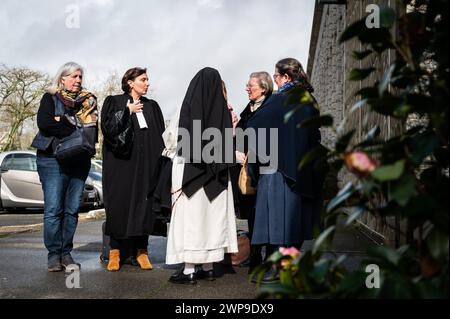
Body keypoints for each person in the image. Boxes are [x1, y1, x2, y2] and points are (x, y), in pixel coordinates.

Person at [247, 58, 323, 281]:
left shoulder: (281, 98)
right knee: (296, 222)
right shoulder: (310, 100)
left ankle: (277, 268)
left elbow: (254, 125)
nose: (276, 81)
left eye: (277, 77)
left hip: (280, 170)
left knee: (277, 222)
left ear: (286, 77)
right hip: (304, 169)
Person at [162, 67, 238, 285]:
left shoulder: (186, 108)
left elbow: (173, 139)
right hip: (218, 177)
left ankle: (188, 270)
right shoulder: (223, 110)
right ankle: (208, 266)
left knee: (191, 220)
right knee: (212, 220)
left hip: (191, 172)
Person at [36, 62, 98, 272]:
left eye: (80, 76)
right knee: (54, 209)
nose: (78, 80)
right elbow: (44, 123)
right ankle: (53, 255)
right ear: (62, 78)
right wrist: (74, 127)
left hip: (79, 161)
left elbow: (92, 131)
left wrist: (62, 120)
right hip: (51, 159)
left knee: (71, 210)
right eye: (73, 76)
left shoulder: (88, 101)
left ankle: (66, 253)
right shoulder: (50, 97)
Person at [101, 67, 165, 271]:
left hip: (146, 165)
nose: (147, 83)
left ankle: (141, 251)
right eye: (143, 79)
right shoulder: (114, 101)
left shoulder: (152, 106)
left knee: (143, 206)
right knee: (120, 205)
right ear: (130, 82)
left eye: (147, 79)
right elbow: (108, 129)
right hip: (121, 165)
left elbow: (161, 135)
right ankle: (115, 251)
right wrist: (128, 111)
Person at [234, 72, 273, 273]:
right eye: (247, 85)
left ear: (263, 88)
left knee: (267, 214)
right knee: (251, 214)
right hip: (249, 171)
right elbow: (240, 134)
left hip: (267, 170)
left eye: (251, 85)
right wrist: (238, 150)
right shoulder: (247, 110)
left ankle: (270, 257)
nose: (247, 88)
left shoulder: (271, 108)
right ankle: (255, 255)